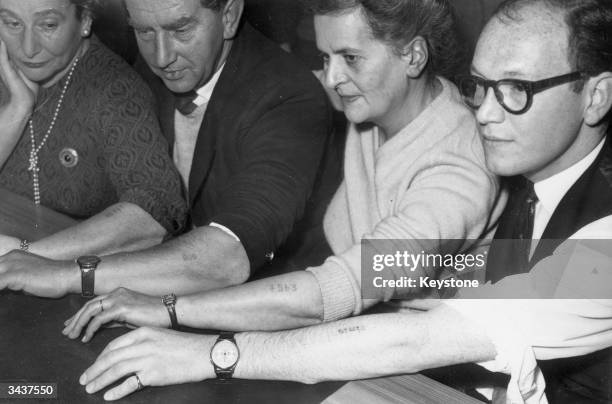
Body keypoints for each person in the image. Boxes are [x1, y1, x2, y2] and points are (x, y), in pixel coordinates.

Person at [73, 0, 612, 402]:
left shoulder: (591, 248)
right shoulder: (405, 105)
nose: (488, 114)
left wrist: (193, 330)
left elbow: (374, 303)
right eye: (481, 86)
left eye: (516, 89)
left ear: (596, 95)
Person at [0, 0, 336, 298]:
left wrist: (62, 270)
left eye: (181, 29)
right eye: (144, 31)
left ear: (230, 15)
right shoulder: (158, 61)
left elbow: (227, 257)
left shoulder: (289, 97)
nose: (161, 56)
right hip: (163, 283)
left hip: (270, 298)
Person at [0, 0, 187, 261]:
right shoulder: (6, 70)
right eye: (12, 23)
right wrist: (17, 110)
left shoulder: (116, 91)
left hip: (79, 274)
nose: (28, 48)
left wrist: (27, 256)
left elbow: (155, 211)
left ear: (85, 21)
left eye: (48, 25)